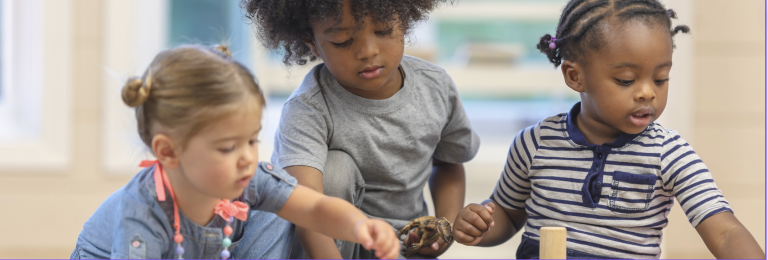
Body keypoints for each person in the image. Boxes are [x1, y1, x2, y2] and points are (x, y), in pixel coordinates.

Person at [451, 0, 765, 259]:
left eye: (660, 78)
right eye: (626, 80)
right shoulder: (534, 143)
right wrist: (479, 226)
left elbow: (725, 232)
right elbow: (507, 214)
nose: (647, 92)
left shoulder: (669, 154)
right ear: (575, 77)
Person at [71, 44, 400, 259]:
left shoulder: (245, 177)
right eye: (228, 147)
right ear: (169, 152)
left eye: (252, 140)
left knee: (283, 207)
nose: (247, 157)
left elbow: (313, 209)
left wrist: (360, 226)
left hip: (207, 246)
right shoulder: (142, 216)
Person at [240, 0, 480, 258]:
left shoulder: (436, 87)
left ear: (405, 21)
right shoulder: (307, 109)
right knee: (334, 167)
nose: (367, 51)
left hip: (404, 241)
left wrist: (444, 226)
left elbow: (448, 164)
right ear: (313, 44)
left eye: (384, 30)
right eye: (343, 41)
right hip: (330, 241)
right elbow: (307, 214)